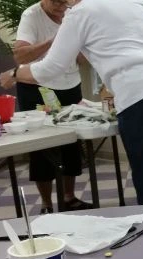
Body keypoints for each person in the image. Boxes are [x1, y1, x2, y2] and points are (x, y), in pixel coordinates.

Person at [0, 0, 143, 205]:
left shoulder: (79, 14)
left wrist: (15, 73)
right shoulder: (131, 1)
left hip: (137, 93)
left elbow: (51, 68)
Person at [14, 0, 92, 214]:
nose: (62, 6)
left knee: (72, 143)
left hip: (70, 85)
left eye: (66, 2)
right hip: (38, 87)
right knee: (43, 146)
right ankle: (47, 203)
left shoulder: (73, 13)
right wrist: (54, 42)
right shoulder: (32, 16)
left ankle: (69, 197)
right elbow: (20, 55)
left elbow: (81, 59)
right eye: (57, 2)